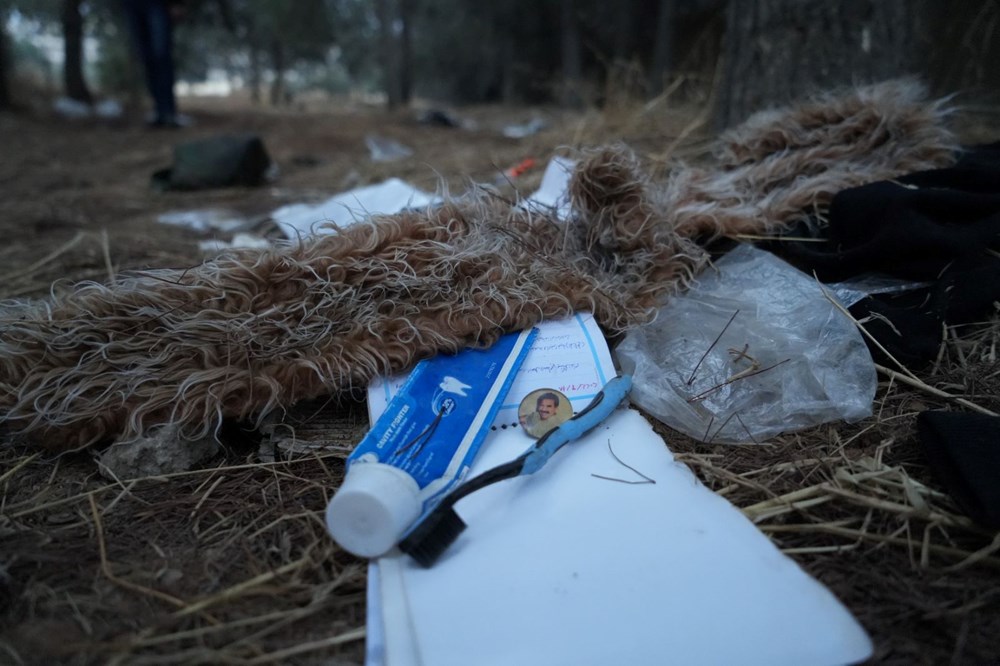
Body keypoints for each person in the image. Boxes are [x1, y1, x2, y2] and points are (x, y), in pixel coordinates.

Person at [122, 0, 185, 128]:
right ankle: (159, 110)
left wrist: (177, 3)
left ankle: (168, 111)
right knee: (147, 58)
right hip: (133, 5)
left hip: (158, 4)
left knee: (161, 55)